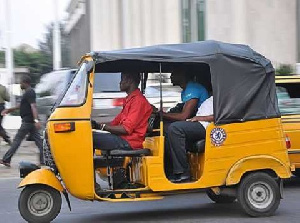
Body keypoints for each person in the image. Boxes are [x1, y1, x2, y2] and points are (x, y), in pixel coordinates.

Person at [92, 72, 152, 151]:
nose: (120, 82)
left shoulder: (138, 101)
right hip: (122, 138)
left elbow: (126, 129)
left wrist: (102, 127)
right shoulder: (129, 100)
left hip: (129, 142)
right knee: (87, 134)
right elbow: (114, 123)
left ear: (130, 81)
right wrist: (96, 125)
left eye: (122, 79)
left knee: (88, 137)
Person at [166, 96, 213, 183]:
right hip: (200, 122)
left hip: (207, 126)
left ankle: (183, 172)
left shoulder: (223, 98)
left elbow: (221, 115)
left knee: (175, 128)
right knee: (167, 129)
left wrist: (200, 118)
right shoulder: (214, 96)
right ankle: (170, 170)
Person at [0, 75, 44, 167]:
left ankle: (6, 159)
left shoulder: (30, 92)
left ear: (25, 82)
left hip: (28, 122)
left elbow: (33, 106)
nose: (20, 84)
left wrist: (36, 120)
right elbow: (20, 105)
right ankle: (43, 160)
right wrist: (9, 110)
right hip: (30, 122)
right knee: (39, 141)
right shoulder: (27, 93)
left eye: (21, 82)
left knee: (17, 141)